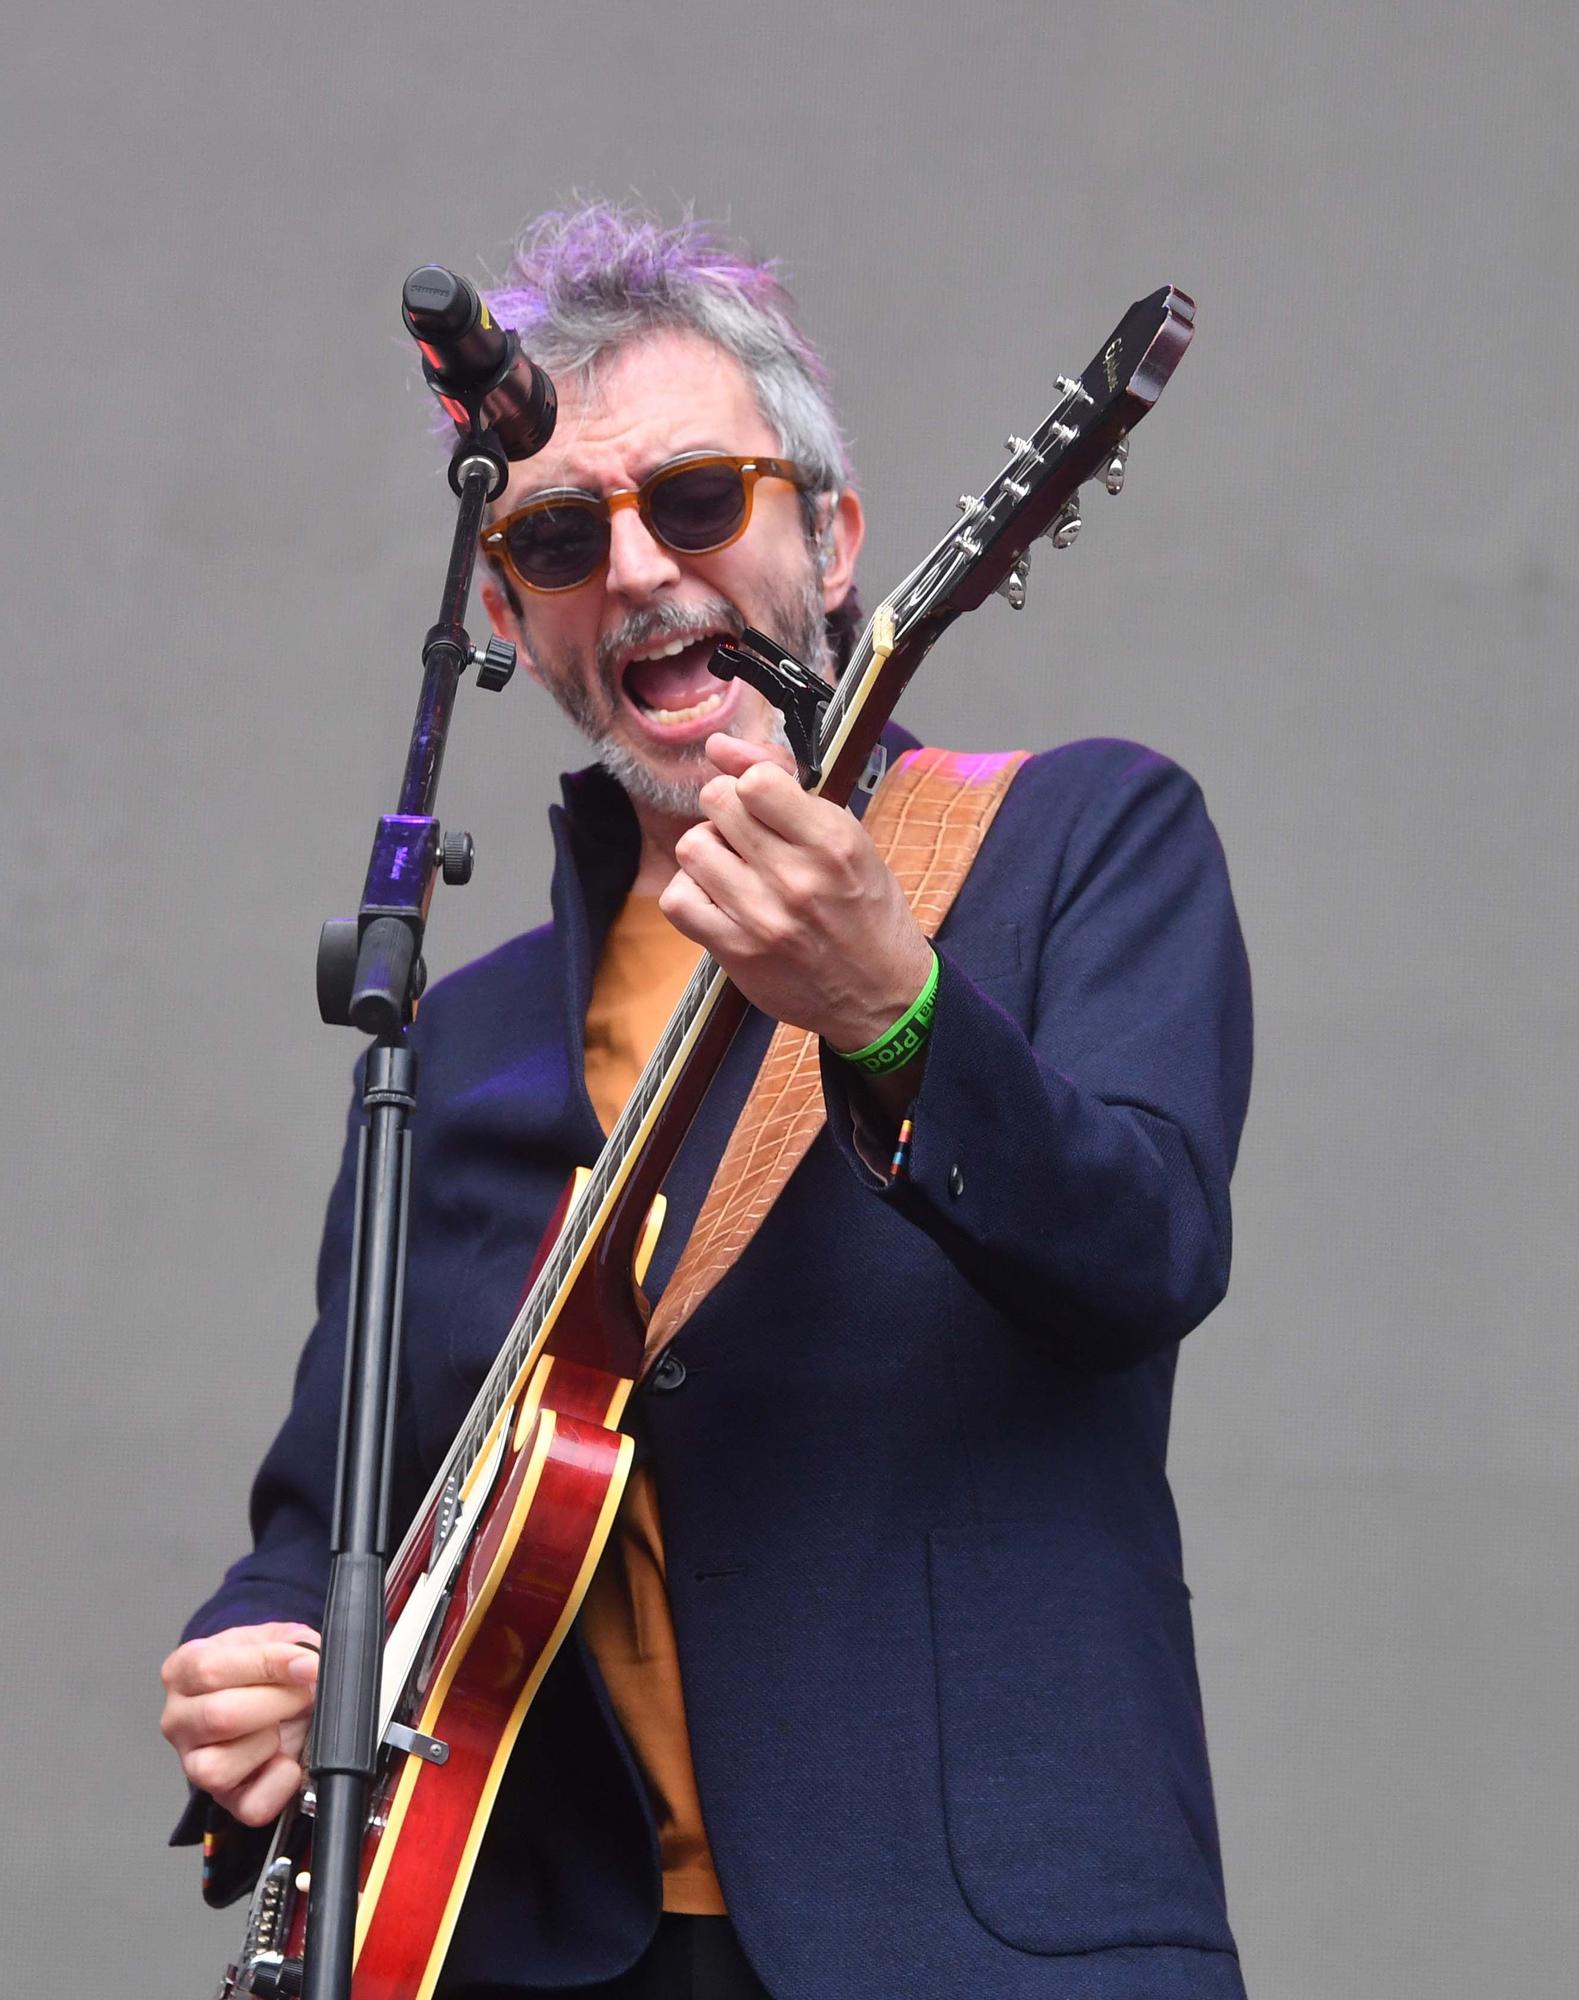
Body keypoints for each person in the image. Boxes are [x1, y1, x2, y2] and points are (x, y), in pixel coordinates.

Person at [161, 204, 1253, 2000]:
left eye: (697, 500)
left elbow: (1142, 1253)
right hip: (533, 1948)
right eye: (565, 535)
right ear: (506, 608)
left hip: (972, 1942)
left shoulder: (1080, 843)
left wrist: (892, 1014)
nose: (643, 570)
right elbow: (324, 1516)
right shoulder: (458, 1038)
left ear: (831, 538)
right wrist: (256, 1655)